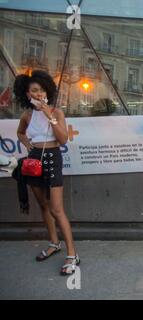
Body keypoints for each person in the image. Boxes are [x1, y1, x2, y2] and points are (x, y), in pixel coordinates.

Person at [14, 70, 80, 276]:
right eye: (34, 90)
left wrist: (48, 115)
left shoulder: (56, 112)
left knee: (57, 209)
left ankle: (72, 254)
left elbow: (62, 140)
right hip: (34, 159)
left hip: (53, 158)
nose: (39, 94)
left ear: (47, 92)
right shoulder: (26, 115)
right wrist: (29, 147)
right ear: (27, 94)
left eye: (42, 90)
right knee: (43, 204)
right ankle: (54, 242)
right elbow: (20, 132)